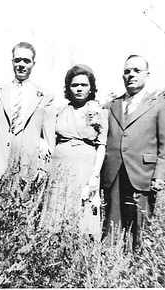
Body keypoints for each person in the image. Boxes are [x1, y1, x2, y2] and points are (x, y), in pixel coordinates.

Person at [101, 55, 165, 249]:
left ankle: (135, 269)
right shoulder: (111, 106)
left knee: (140, 229)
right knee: (111, 229)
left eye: (137, 70)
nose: (131, 75)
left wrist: (160, 175)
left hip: (143, 175)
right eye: (127, 71)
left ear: (147, 74)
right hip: (113, 174)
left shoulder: (159, 105)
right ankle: (111, 268)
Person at [39, 65, 108, 238]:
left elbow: (101, 145)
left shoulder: (98, 113)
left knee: (83, 208)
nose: (78, 88)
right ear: (68, 88)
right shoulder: (60, 111)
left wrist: (95, 174)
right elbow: (42, 131)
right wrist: (41, 142)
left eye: (83, 85)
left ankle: (81, 249)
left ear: (91, 88)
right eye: (74, 85)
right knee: (58, 204)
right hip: (60, 166)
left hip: (85, 168)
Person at [0, 42, 56, 182]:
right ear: (12, 61)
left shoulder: (45, 96)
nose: (21, 64)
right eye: (17, 60)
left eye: (26, 61)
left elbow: (49, 136)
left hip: (29, 165)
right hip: (0, 163)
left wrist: (44, 168)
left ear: (33, 64)